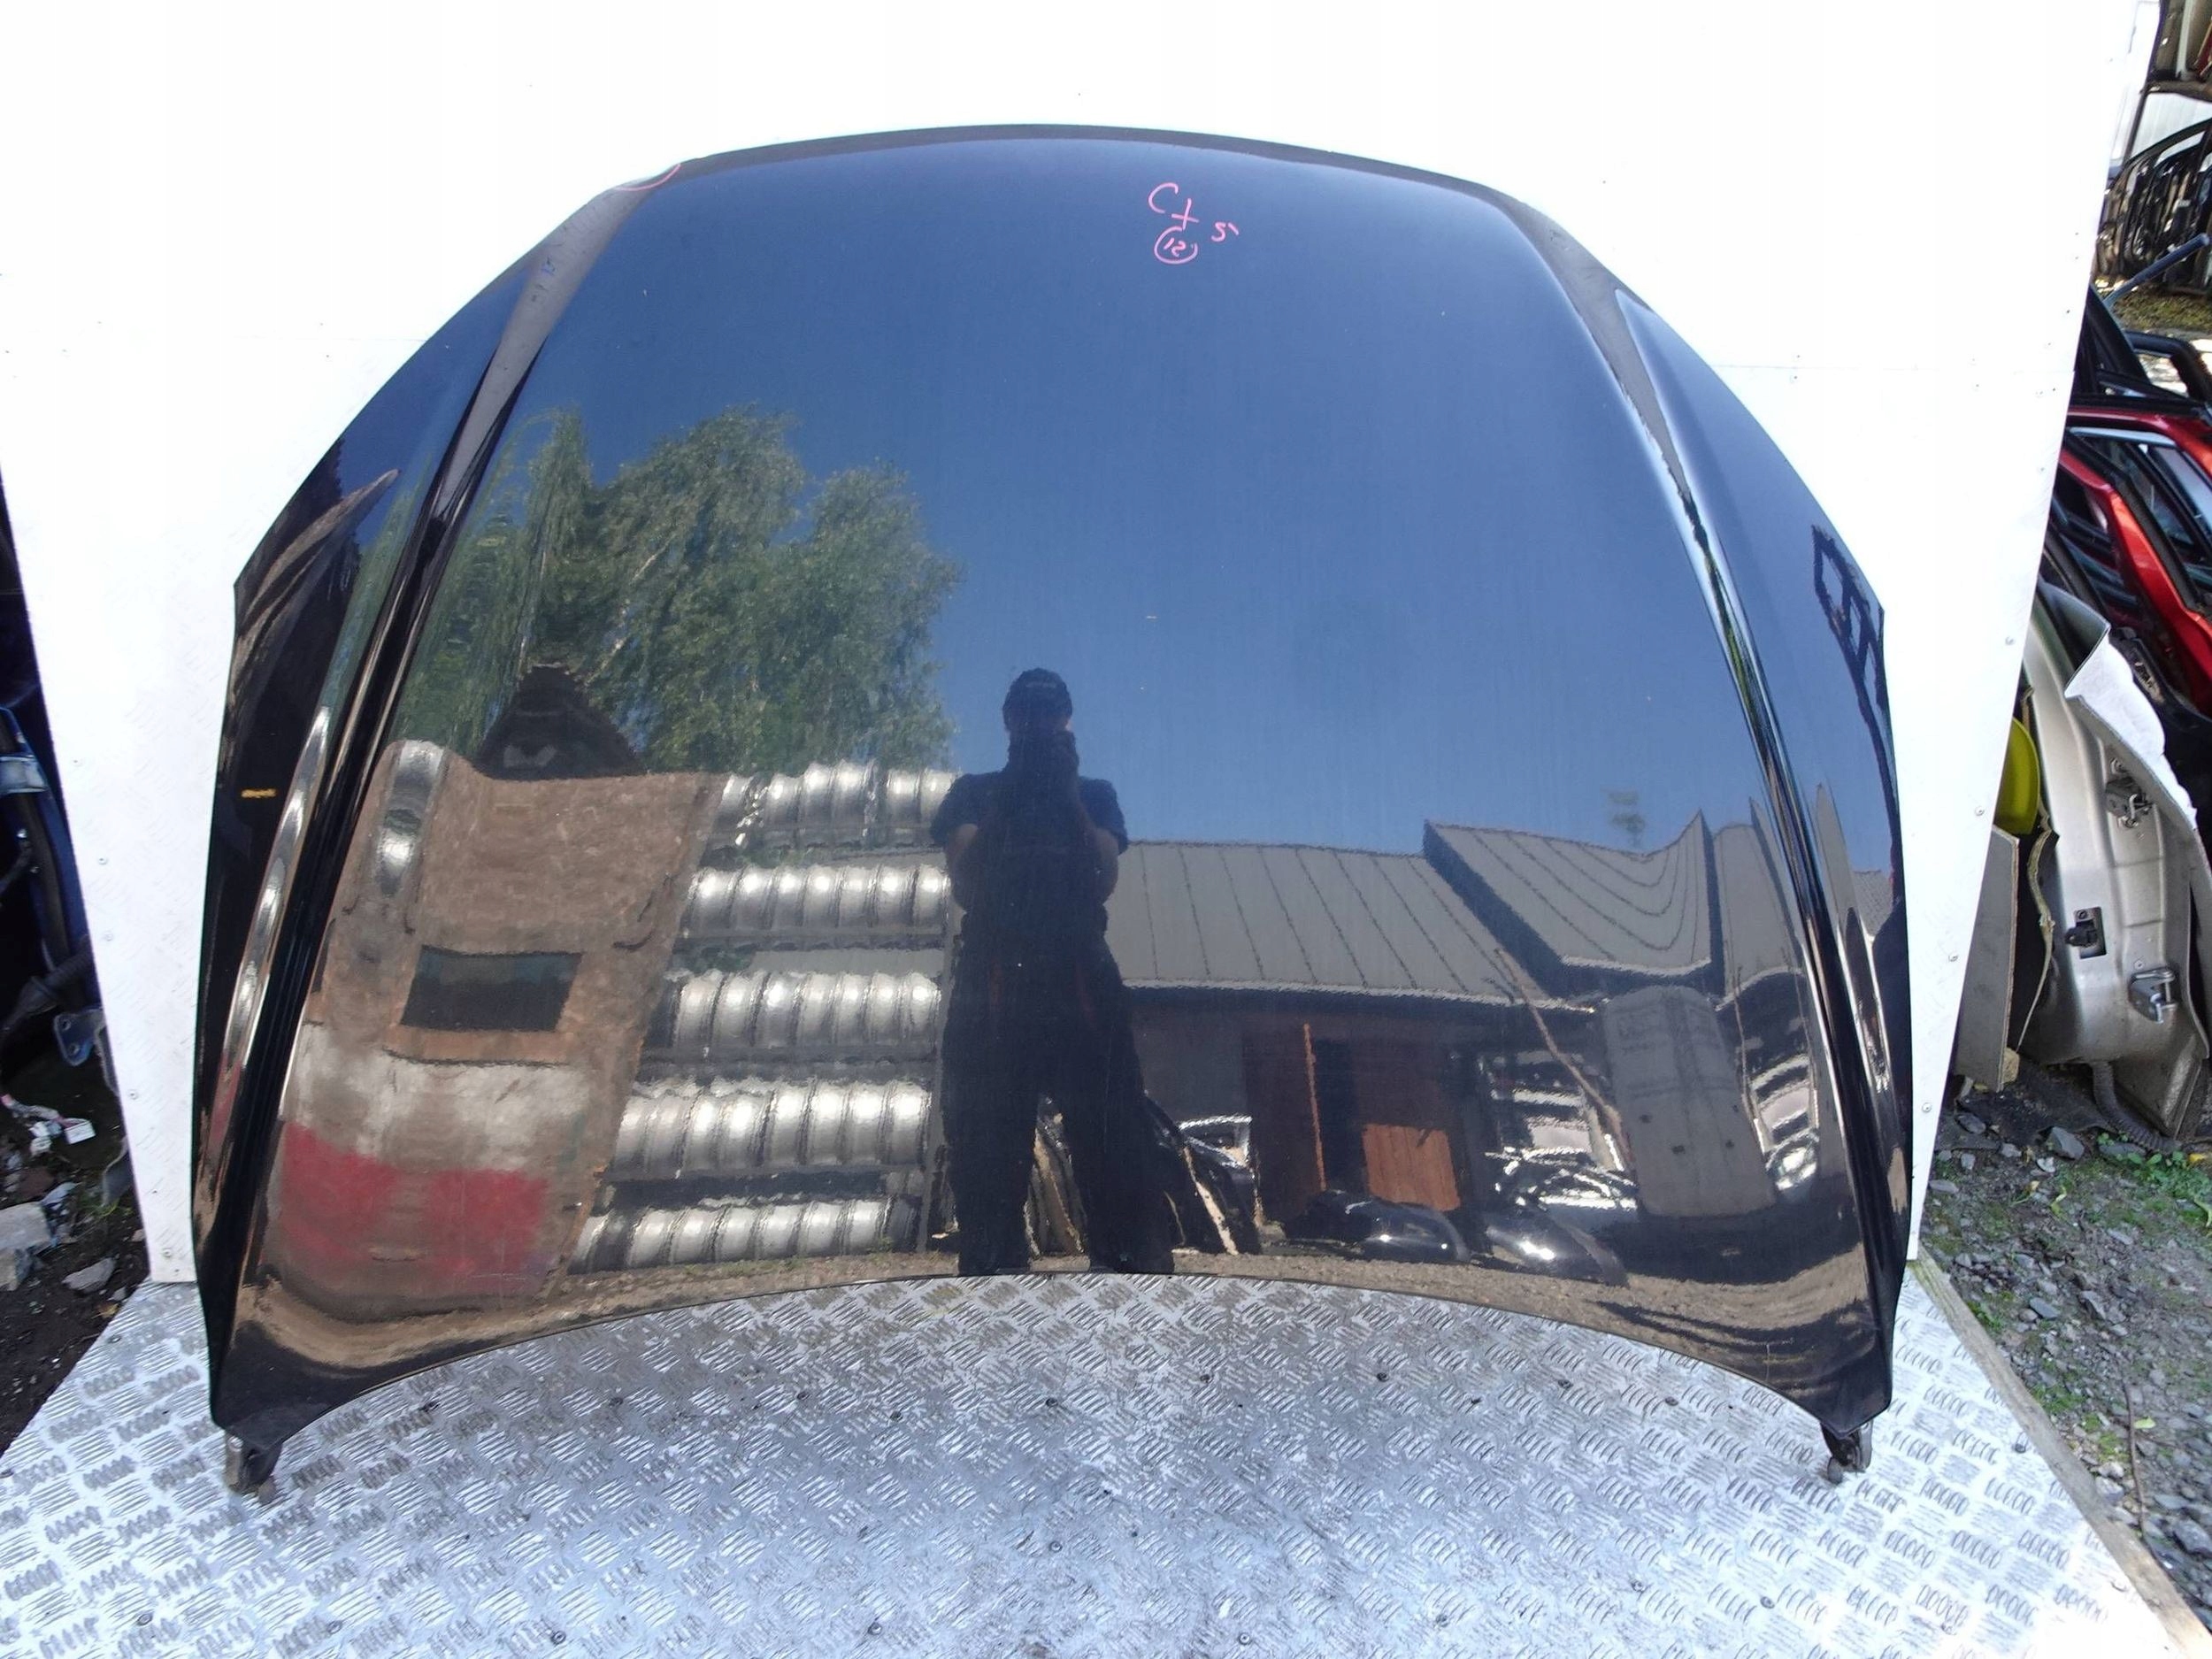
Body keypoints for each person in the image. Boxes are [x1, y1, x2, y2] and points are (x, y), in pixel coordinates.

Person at [930, 669, 1174, 1276]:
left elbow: (1103, 879)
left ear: (1066, 720)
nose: (1038, 724)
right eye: (1027, 713)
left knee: (1113, 1124)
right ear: (1008, 721)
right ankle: (992, 1267)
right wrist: (1012, 795)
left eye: (1049, 713)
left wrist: (1066, 795)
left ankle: (1130, 1267)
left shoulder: (1093, 794)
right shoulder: (975, 793)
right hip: (997, 968)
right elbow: (966, 883)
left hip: (1076, 968)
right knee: (984, 1133)